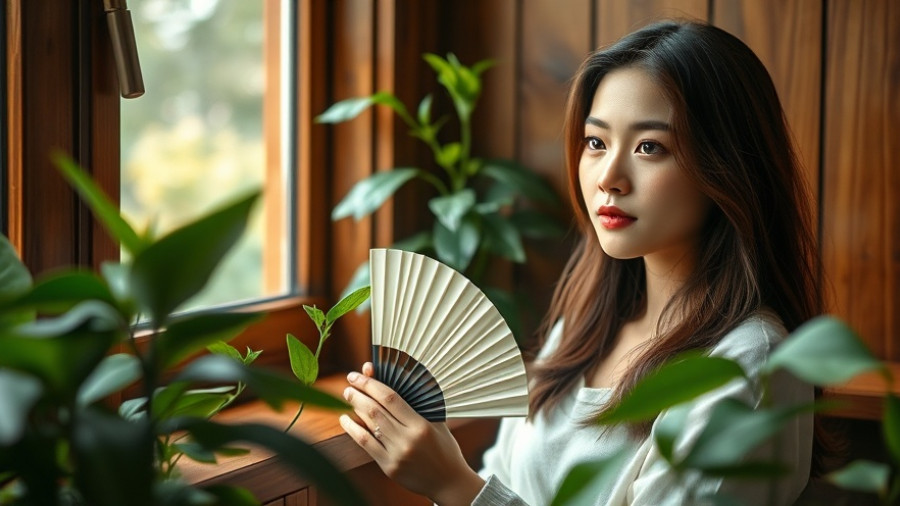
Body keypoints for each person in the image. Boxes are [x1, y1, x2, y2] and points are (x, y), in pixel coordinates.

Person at [338, 20, 821, 505]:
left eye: (650, 147)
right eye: (596, 142)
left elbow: (479, 491)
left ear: (727, 167)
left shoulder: (747, 363)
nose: (609, 177)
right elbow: (504, 474)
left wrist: (455, 486)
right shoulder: (584, 324)